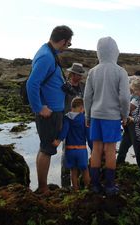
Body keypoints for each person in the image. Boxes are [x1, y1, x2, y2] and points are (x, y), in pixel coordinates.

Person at [26, 25, 73, 194]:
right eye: (68, 44)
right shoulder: (46, 56)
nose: (67, 47)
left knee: (45, 147)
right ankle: (43, 188)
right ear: (62, 41)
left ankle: (42, 186)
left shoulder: (49, 53)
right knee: (46, 149)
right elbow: (31, 83)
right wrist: (39, 108)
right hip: (49, 113)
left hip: (54, 111)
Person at [84, 36, 130, 195]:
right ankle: (110, 186)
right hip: (112, 117)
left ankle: (95, 185)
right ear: (115, 52)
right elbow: (124, 97)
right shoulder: (120, 71)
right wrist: (124, 115)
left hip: (96, 115)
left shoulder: (93, 71)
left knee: (96, 149)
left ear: (99, 52)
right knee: (110, 150)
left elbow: (87, 97)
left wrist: (87, 116)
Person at [53, 97, 91, 191]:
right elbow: (88, 135)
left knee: (73, 172)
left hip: (69, 150)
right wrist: (93, 148)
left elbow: (64, 131)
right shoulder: (84, 118)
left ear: (72, 107)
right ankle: (87, 191)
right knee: (85, 171)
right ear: (82, 108)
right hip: (81, 150)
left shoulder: (67, 118)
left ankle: (75, 191)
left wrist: (58, 141)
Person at [61, 62, 86, 188]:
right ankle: (65, 183)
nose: (80, 76)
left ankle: (79, 181)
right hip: (69, 119)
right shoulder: (65, 86)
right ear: (72, 74)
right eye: (78, 74)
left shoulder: (83, 86)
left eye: (81, 74)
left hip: (81, 121)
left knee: (81, 147)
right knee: (67, 148)